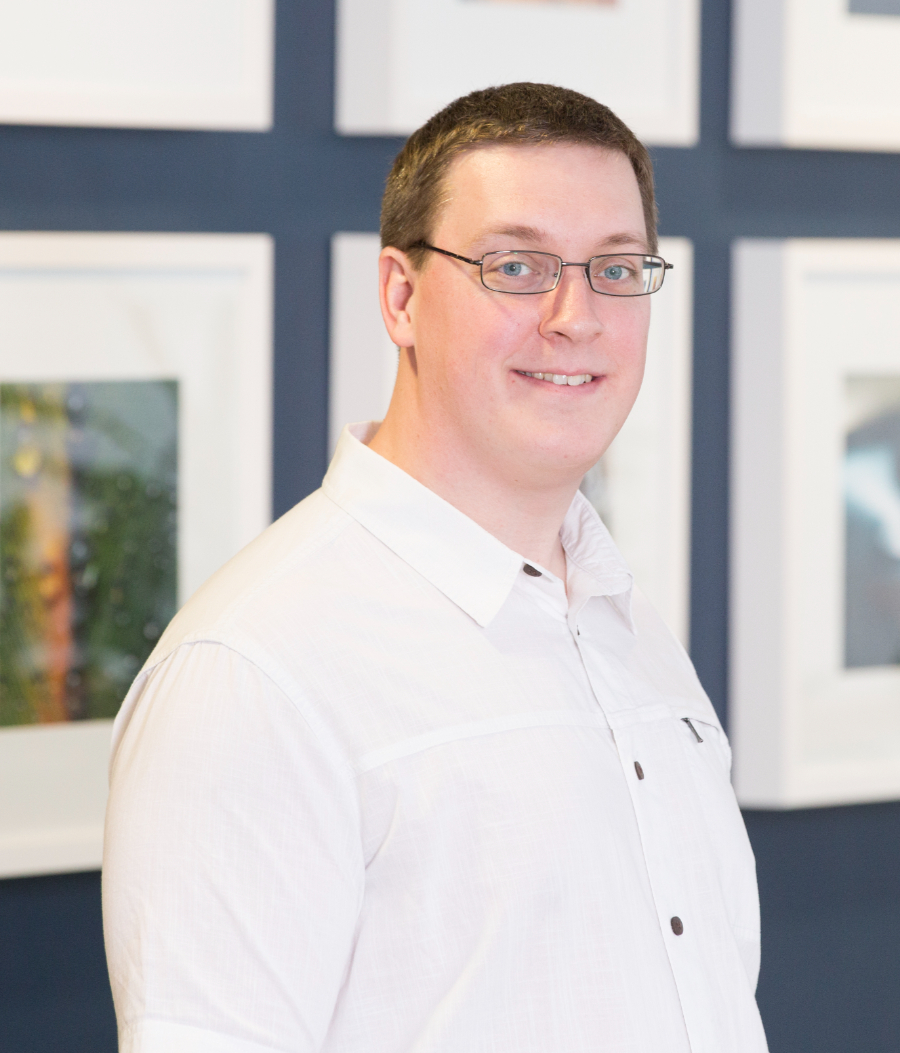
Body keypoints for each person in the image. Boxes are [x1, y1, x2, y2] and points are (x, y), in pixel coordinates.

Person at [103, 82, 769, 1053]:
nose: (575, 315)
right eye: (516, 265)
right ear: (402, 297)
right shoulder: (253, 674)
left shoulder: (620, 624)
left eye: (617, 269)